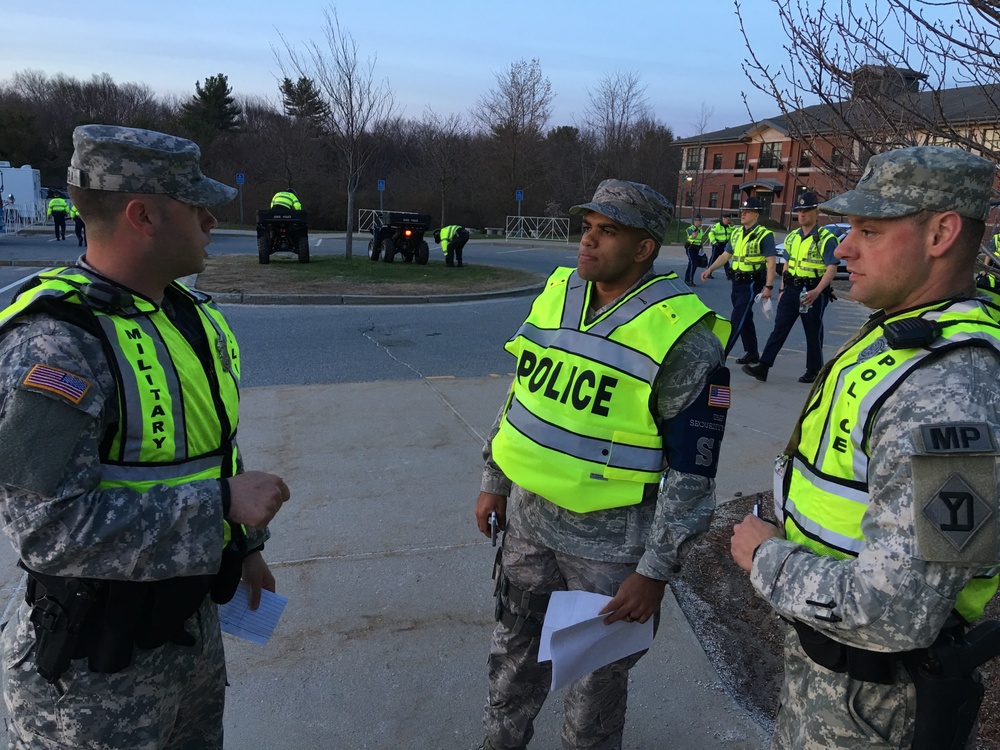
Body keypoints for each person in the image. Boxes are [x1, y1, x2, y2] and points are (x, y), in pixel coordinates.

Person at [0, 124, 291, 749]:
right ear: (144, 216)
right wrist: (220, 507)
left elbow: (210, 451)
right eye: (197, 205)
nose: (213, 219)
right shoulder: (55, 344)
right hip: (90, 674)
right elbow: (46, 528)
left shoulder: (188, 314)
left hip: (187, 635)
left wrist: (243, 546)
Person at [730, 145, 1000, 750]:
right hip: (835, 678)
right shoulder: (903, 333)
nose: (844, 247)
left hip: (875, 706)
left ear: (941, 233)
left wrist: (765, 558)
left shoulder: (949, 389)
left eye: (869, 230)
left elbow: (903, 611)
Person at [474, 178, 732, 750]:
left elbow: (693, 474)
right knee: (512, 654)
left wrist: (655, 571)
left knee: (595, 686)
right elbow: (523, 396)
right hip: (528, 524)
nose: (587, 242)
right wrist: (494, 479)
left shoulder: (684, 338)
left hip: (611, 549)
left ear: (644, 248)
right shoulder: (560, 292)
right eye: (587, 227)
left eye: (607, 231)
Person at [742, 191, 840, 384]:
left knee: (812, 331)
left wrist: (818, 291)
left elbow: (832, 267)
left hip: (812, 291)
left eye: (806, 210)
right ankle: (763, 367)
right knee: (779, 328)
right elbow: (787, 263)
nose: (802, 214)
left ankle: (813, 369)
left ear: (816, 212)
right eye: (799, 211)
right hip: (792, 289)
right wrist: (782, 289)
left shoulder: (826, 238)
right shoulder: (793, 237)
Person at [700, 196, 777, 364]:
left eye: (747, 211)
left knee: (737, 318)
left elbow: (771, 262)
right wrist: (710, 268)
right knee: (745, 317)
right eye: (742, 211)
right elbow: (726, 255)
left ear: (756, 214)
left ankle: (721, 355)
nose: (743, 214)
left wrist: (768, 286)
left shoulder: (764, 235)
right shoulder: (736, 233)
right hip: (737, 281)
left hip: (751, 282)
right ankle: (752, 352)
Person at [683, 214, 709, 285]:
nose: (700, 222)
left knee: (691, 263)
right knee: (693, 263)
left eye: (701, 220)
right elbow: (694, 236)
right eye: (699, 220)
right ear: (695, 221)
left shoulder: (700, 230)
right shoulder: (690, 228)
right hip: (690, 248)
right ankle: (690, 280)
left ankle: (687, 279)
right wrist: (697, 229)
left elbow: (700, 240)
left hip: (697, 248)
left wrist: (702, 250)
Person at [708, 213, 735, 279]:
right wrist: (714, 242)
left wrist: (732, 226)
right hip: (717, 244)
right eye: (728, 220)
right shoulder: (717, 226)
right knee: (713, 259)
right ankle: (708, 273)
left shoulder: (729, 226)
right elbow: (711, 233)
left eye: (729, 220)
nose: (729, 221)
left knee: (726, 260)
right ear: (724, 219)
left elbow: (734, 232)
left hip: (725, 244)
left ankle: (728, 275)